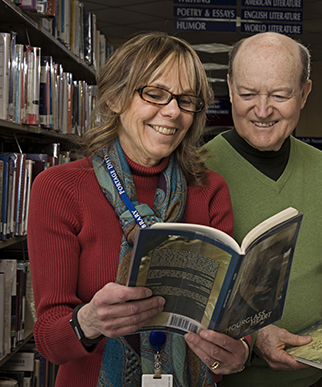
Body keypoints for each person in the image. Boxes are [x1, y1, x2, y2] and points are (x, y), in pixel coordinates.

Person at [27, 32, 249, 387]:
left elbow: (230, 315)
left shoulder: (210, 189)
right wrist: (89, 322)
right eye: (155, 94)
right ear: (115, 97)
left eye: (186, 100)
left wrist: (240, 350)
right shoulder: (58, 188)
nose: (173, 111)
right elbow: (49, 340)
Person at [202, 32, 322, 387]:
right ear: (229, 88)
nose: (262, 110)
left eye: (280, 95)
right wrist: (253, 336)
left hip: (316, 378)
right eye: (247, 94)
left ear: (305, 92)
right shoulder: (195, 172)